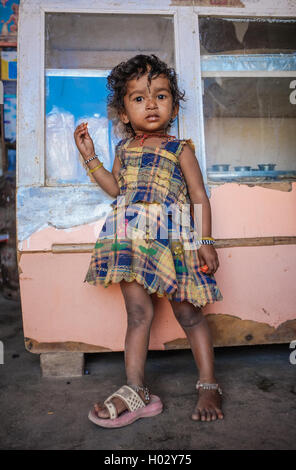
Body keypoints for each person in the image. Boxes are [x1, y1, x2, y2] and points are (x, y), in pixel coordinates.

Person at [74, 54, 224, 428]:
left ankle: (209, 384)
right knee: (138, 315)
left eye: (160, 95)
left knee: (189, 313)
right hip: (130, 240)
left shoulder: (180, 149)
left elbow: (199, 196)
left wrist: (205, 238)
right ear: (123, 113)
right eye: (138, 98)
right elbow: (115, 188)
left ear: (173, 104)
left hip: (174, 240)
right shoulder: (124, 151)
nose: (151, 104)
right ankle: (136, 389)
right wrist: (92, 159)